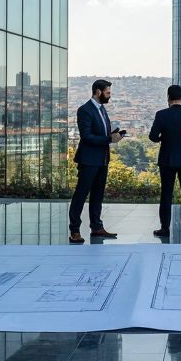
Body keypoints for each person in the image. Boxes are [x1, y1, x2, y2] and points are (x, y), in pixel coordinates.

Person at [68, 79, 126, 243]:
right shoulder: (85, 110)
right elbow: (86, 136)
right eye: (107, 92)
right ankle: (75, 230)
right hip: (88, 160)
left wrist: (114, 135)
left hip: (102, 159)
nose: (109, 96)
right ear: (98, 92)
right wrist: (109, 139)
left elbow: (101, 133)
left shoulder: (102, 109)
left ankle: (96, 227)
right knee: (81, 195)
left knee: (98, 195)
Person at [148, 84, 181, 238]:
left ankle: (165, 228)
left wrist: (164, 139)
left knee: (166, 193)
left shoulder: (161, 115)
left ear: (168, 98)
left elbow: (152, 137)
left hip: (167, 159)